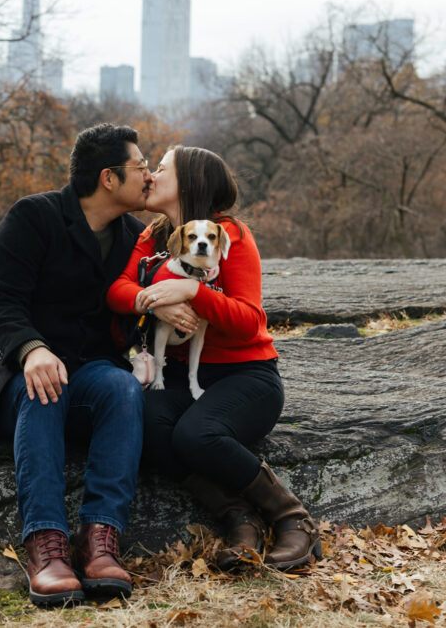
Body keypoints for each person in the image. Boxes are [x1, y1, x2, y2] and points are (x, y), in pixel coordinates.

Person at [106, 145, 321, 571]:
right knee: (141, 423)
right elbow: (118, 291)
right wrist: (155, 303)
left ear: (188, 182)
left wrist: (193, 292)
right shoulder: (152, 237)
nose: (150, 176)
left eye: (160, 170)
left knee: (195, 434)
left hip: (246, 377)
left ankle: (292, 518)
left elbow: (249, 320)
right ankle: (240, 519)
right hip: (183, 376)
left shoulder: (230, 237)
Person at [0, 123, 152, 606]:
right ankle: (46, 547)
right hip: (12, 368)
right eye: (141, 167)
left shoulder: (135, 236)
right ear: (109, 178)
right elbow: (0, 303)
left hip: (89, 371)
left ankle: (100, 541)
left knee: (122, 388)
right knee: (45, 387)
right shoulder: (34, 217)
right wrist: (32, 349)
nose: (150, 176)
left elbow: (131, 313)